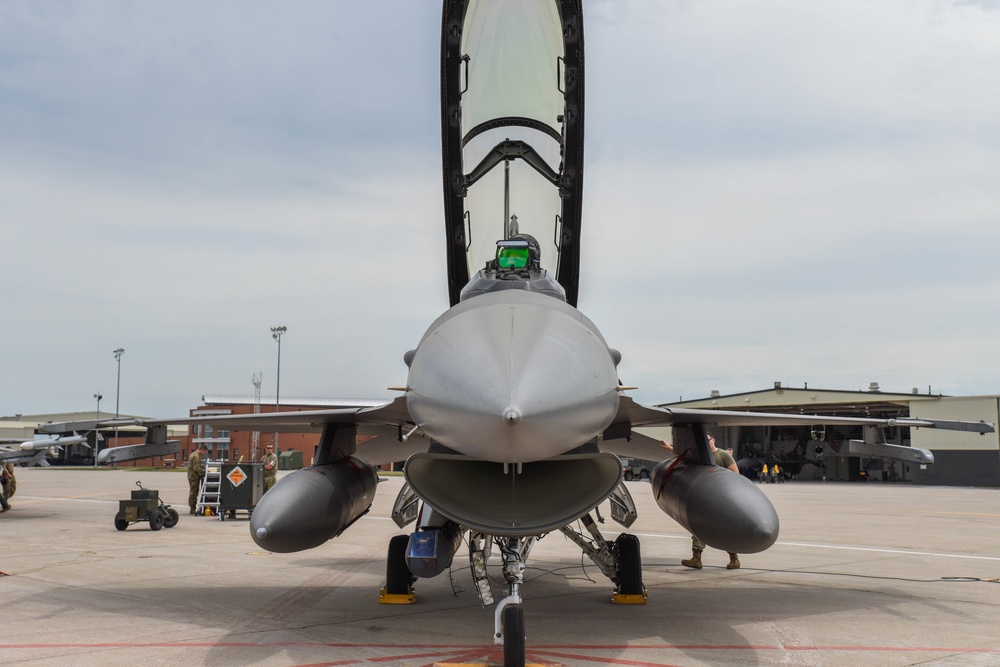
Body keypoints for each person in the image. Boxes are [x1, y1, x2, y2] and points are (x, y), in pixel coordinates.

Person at [681, 432, 742, 570]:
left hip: (723, 498)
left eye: (707, 440)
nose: (705, 443)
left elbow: (735, 474)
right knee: (699, 528)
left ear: (713, 440)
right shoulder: (700, 456)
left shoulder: (722, 455)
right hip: (705, 499)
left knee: (726, 529)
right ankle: (696, 558)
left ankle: (734, 559)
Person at [187, 443, 209, 514]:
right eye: (204, 452)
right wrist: (205, 471)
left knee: (194, 491)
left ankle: (193, 507)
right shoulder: (196, 456)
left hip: (193, 476)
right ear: (202, 450)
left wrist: (201, 465)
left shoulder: (194, 454)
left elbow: (196, 465)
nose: (204, 453)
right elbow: (196, 468)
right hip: (194, 477)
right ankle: (192, 508)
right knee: (194, 492)